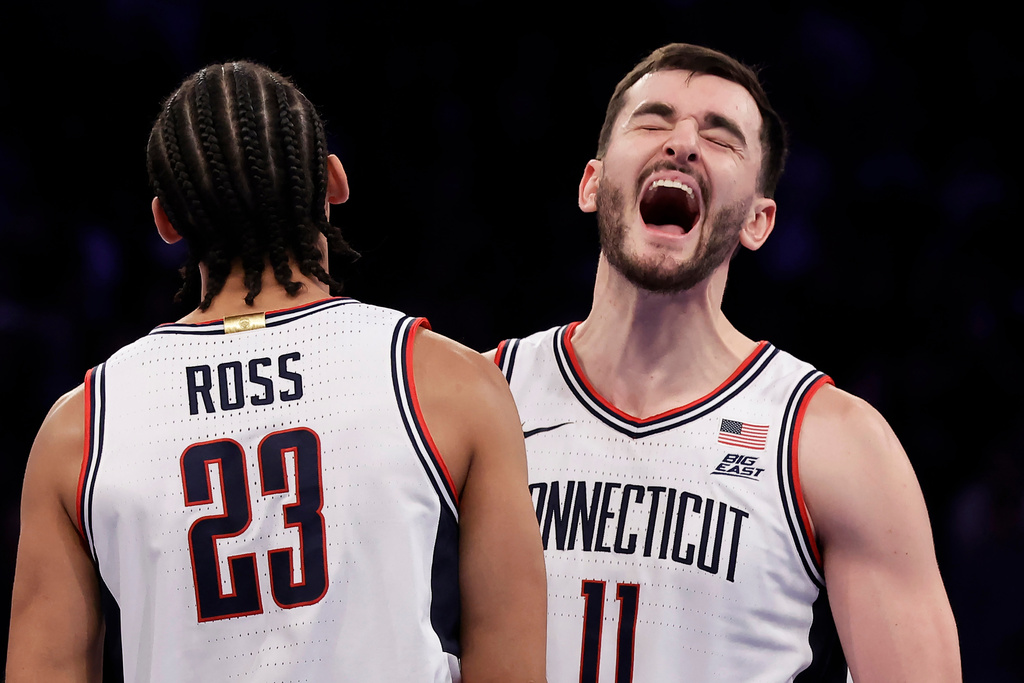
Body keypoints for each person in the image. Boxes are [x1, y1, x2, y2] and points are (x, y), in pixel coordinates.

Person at [7, 61, 547, 683]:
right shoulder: (448, 381)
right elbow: (513, 666)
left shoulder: (81, 429)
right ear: (334, 182)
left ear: (167, 221)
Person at [487, 43, 960, 682]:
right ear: (592, 184)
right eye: (653, 121)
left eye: (721, 137)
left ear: (759, 221)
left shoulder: (834, 441)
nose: (682, 143)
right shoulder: (484, 395)